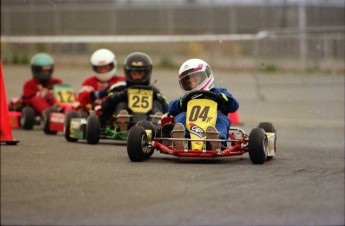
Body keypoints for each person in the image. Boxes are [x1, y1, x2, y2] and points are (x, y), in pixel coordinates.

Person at [168, 58, 239, 149]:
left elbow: (234, 106)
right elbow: (170, 107)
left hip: (212, 123)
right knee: (181, 116)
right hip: (192, 126)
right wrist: (181, 103)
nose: (193, 84)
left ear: (206, 75)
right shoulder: (187, 97)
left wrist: (225, 99)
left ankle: (215, 140)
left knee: (222, 119)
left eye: (196, 80)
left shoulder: (218, 92)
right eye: (189, 82)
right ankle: (182, 139)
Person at [99, 52, 168, 129]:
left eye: (140, 73)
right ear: (128, 73)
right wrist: (123, 94)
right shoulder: (120, 86)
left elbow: (167, 107)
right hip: (126, 124)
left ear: (146, 73)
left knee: (156, 103)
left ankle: (156, 123)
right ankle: (123, 121)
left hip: (148, 123)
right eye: (134, 74)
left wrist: (155, 96)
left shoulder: (153, 90)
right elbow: (105, 105)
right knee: (121, 103)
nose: (137, 77)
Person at [77, 48, 125, 113]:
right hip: (95, 115)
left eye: (106, 68)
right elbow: (82, 98)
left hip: (117, 114)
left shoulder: (120, 81)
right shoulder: (90, 82)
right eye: (100, 68)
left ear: (112, 65)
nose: (103, 71)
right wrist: (99, 94)